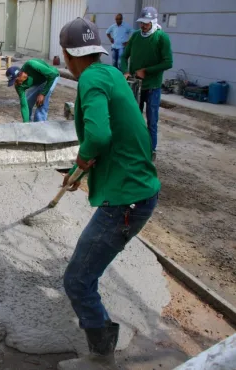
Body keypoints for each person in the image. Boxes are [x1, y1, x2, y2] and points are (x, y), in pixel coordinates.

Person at [56, 18, 160, 370]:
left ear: (68, 55)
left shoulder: (89, 79)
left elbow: (98, 137)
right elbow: (115, 135)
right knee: (82, 276)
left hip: (126, 201)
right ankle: (102, 346)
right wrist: (78, 171)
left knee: (77, 280)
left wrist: (84, 159)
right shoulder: (112, 74)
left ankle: (101, 357)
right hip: (135, 190)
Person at [121, 7, 173, 161]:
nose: (143, 26)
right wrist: (125, 71)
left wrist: (147, 71)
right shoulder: (136, 36)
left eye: (146, 23)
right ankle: (132, 148)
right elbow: (124, 56)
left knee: (151, 121)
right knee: (133, 118)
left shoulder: (161, 37)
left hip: (152, 87)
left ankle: (150, 152)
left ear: (153, 22)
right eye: (141, 23)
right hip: (136, 86)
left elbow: (168, 62)